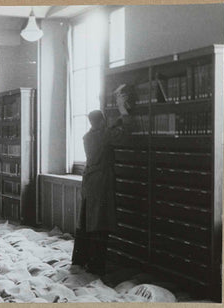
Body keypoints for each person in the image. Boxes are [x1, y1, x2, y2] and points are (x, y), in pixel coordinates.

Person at [71, 84, 134, 276]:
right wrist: (123, 109)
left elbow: (106, 132)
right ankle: (96, 265)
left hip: (89, 180)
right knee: (100, 224)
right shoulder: (105, 135)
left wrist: (112, 124)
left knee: (86, 222)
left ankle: (80, 260)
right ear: (101, 121)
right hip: (102, 183)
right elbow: (125, 134)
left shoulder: (88, 136)